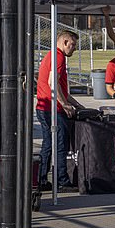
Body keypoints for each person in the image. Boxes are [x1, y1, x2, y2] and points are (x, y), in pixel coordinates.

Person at [36, 30, 84, 192]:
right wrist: (64, 105)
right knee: (60, 144)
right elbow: (53, 83)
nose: (74, 48)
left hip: (45, 108)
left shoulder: (51, 55)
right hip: (52, 109)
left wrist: (77, 104)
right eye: (73, 45)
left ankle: (42, 179)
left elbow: (61, 88)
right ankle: (62, 180)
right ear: (64, 42)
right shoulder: (59, 57)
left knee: (48, 144)